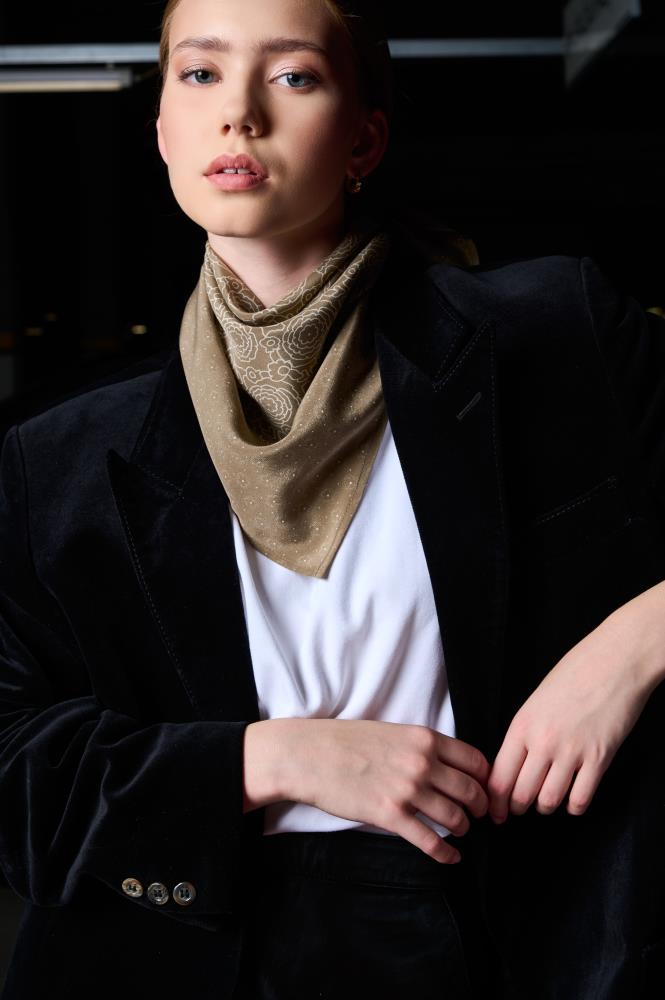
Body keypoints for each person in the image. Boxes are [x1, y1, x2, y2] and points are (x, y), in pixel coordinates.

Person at [0, 0, 664, 997]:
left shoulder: (553, 334)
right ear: (163, 132)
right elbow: (14, 769)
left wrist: (632, 647)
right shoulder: (59, 458)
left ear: (364, 139)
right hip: (185, 953)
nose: (239, 113)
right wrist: (270, 760)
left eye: (292, 76)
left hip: (518, 936)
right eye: (200, 74)